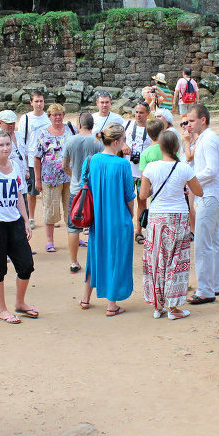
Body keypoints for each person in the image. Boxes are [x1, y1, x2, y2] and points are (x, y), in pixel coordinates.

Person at [140, 130, 203, 320]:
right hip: (178, 216)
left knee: (156, 259)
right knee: (175, 260)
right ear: (176, 146)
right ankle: (173, 307)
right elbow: (198, 191)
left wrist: (156, 187)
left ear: (160, 146)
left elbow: (143, 195)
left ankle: (158, 305)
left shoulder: (151, 167)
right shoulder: (183, 168)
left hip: (157, 217)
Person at [0, 131, 37, 324]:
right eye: (1, 145)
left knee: (26, 265)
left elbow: (19, 195)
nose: (5, 148)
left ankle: (20, 302)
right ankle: (3, 309)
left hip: (15, 222)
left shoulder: (16, 166)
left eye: (7, 145)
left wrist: (26, 220)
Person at [85, 124, 135, 315]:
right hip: (117, 218)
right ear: (116, 142)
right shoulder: (122, 164)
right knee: (117, 258)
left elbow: (86, 186)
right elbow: (129, 196)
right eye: (123, 140)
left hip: (97, 219)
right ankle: (112, 304)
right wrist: (130, 214)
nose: (124, 143)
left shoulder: (93, 160)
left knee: (95, 255)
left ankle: (85, 298)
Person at [183, 104, 219, 305]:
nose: (188, 124)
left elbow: (212, 170)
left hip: (209, 194)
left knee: (202, 244)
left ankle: (206, 289)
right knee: (213, 241)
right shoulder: (203, 139)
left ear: (203, 120)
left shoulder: (208, 140)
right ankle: (214, 285)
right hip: (209, 194)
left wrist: (191, 181)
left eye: (191, 121)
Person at [62, 112, 100, 277]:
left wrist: (74, 176)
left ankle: (74, 261)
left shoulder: (70, 140)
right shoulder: (98, 142)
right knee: (95, 225)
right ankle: (96, 260)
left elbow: (64, 165)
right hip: (93, 189)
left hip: (76, 188)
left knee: (73, 226)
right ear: (92, 125)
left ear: (79, 125)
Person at [32, 104, 72, 253]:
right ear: (49, 117)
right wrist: (37, 179)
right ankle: (49, 241)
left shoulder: (69, 131)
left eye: (60, 114)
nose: (58, 117)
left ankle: (73, 236)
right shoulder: (43, 134)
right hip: (50, 178)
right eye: (54, 114)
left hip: (68, 176)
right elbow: (37, 157)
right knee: (50, 209)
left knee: (70, 208)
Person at [17, 92, 51, 223]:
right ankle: (31, 217)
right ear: (31, 102)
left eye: (41, 101)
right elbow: (21, 140)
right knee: (32, 191)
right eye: (36, 101)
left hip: (47, 159)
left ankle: (49, 216)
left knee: (49, 189)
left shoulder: (48, 118)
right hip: (31, 159)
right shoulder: (26, 118)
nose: (39, 104)